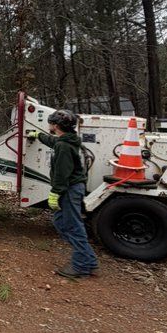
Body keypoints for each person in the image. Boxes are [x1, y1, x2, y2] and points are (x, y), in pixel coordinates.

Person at [26, 110, 99, 279]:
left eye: (50, 123)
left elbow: (61, 173)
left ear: (56, 126)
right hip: (73, 188)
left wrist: (55, 193)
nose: (49, 125)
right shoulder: (69, 140)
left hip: (69, 189)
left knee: (72, 226)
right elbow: (54, 141)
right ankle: (88, 260)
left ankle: (81, 265)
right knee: (60, 222)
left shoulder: (64, 146)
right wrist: (39, 136)